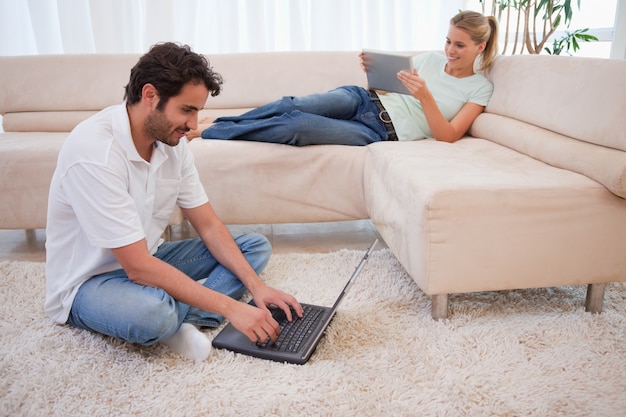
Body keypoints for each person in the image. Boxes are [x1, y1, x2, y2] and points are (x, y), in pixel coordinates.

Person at [44, 42, 303, 362]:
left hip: (148, 258)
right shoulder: (95, 154)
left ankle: (179, 319)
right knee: (153, 313)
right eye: (187, 110)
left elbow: (207, 223)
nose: (194, 126)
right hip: (89, 283)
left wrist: (257, 287)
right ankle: (172, 322)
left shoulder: (171, 143)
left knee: (253, 246)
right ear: (150, 95)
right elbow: (137, 267)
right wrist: (232, 307)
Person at [186, 10, 498, 146]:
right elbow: (384, 90)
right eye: (447, 41)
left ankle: (216, 129)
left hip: (379, 132)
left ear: (479, 47)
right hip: (363, 99)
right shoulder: (431, 59)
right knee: (292, 104)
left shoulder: (479, 89)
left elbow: (448, 135)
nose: (449, 50)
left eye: (459, 45)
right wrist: (376, 71)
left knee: (298, 126)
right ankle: (221, 123)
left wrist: (426, 98)